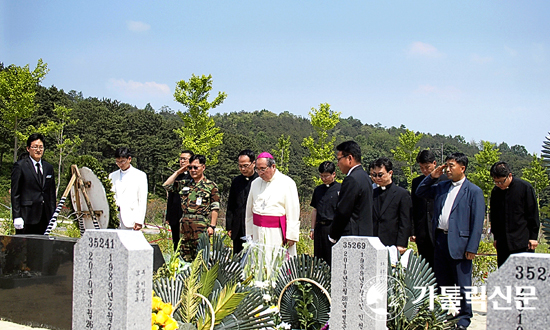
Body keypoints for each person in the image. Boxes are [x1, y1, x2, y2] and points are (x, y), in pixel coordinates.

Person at [416, 152, 484, 330]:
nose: (447, 169)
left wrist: (472, 247)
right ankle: (444, 315)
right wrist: (432, 176)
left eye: (451, 165)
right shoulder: (442, 186)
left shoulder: (474, 191)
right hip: (440, 240)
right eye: (446, 165)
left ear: (462, 168)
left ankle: (463, 319)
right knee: (442, 281)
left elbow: (477, 222)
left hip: (461, 244)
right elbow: (420, 191)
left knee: (462, 284)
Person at [164, 154, 220, 261]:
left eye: (195, 167)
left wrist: (212, 226)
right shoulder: (185, 184)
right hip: (184, 224)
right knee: (183, 256)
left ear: (203, 167)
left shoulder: (210, 186)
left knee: (201, 256)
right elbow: (167, 185)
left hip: (200, 224)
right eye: (190, 168)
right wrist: (178, 172)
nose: (192, 170)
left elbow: (215, 207)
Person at [245, 152, 300, 257]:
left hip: (277, 233)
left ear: (273, 166)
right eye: (257, 169)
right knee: (258, 262)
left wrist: (291, 236)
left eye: (263, 169)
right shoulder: (255, 183)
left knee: (276, 261)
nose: (260, 173)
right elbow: (249, 210)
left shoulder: (287, 183)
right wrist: (249, 233)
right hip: (257, 231)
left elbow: (293, 211)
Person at [489, 161, 539, 267]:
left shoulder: (525, 188)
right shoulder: (495, 192)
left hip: (522, 241)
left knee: (523, 276)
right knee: (504, 275)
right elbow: (494, 216)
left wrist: (533, 237)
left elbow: (532, 213)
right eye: (496, 182)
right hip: (503, 242)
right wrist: (496, 237)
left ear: (509, 175)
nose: (499, 185)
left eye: (502, 181)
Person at [11, 133, 56, 234]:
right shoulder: (20, 166)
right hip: (26, 216)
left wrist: (53, 217)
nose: (38, 150)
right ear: (28, 148)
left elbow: (51, 195)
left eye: (41, 147)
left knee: (42, 248)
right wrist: (17, 216)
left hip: (44, 216)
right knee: (25, 248)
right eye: (35, 147)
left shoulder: (48, 167)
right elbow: (15, 193)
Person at [329, 140, 373, 242]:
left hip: (352, 236)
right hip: (364, 234)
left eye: (339, 159)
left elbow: (343, 211)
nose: (338, 164)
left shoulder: (352, 179)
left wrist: (333, 235)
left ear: (349, 158)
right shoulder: (365, 177)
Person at [411, 150, 447, 269]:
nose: (425, 171)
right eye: (422, 168)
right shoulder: (416, 182)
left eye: (427, 167)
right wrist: (413, 231)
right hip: (422, 231)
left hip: (439, 229)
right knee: (425, 267)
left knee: (441, 267)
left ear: (434, 163)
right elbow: (413, 207)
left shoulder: (446, 181)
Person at [371, 157, 411, 253]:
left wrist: (402, 243)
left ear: (390, 173)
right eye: (374, 175)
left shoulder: (402, 194)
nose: (377, 178)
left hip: (392, 241)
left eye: (380, 175)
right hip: (373, 240)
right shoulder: (372, 193)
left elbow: (405, 221)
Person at [226, 149, 258, 254]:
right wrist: (229, 226)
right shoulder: (236, 181)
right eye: (240, 166)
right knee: (237, 255)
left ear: (253, 163)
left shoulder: (259, 181)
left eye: (245, 166)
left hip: (254, 225)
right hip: (238, 226)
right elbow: (231, 204)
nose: (243, 169)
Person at [309, 161, 341, 265]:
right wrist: (312, 228)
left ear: (334, 174)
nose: (324, 179)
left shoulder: (340, 189)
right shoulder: (318, 190)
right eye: (322, 176)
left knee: (332, 258)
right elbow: (315, 210)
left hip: (332, 227)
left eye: (326, 176)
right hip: (319, 228)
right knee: (318, 258)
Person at [109, 147, 148, 230]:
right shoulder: (112, 176)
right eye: (117, 162)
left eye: (122, 161)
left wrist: (139, 220)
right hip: (116, 218)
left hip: (131, 218)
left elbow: (142, 200)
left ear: (129, 159)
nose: (120, 164)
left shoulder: (140, 175)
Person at [165, 150, 194, 251]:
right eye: (180, 159)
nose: (182, 161)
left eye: (184, 159)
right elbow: (170, 196)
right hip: (175, 215)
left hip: (188, 217)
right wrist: (168, 215)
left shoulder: (193, 177)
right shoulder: (176, 176)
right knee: (176, 243)